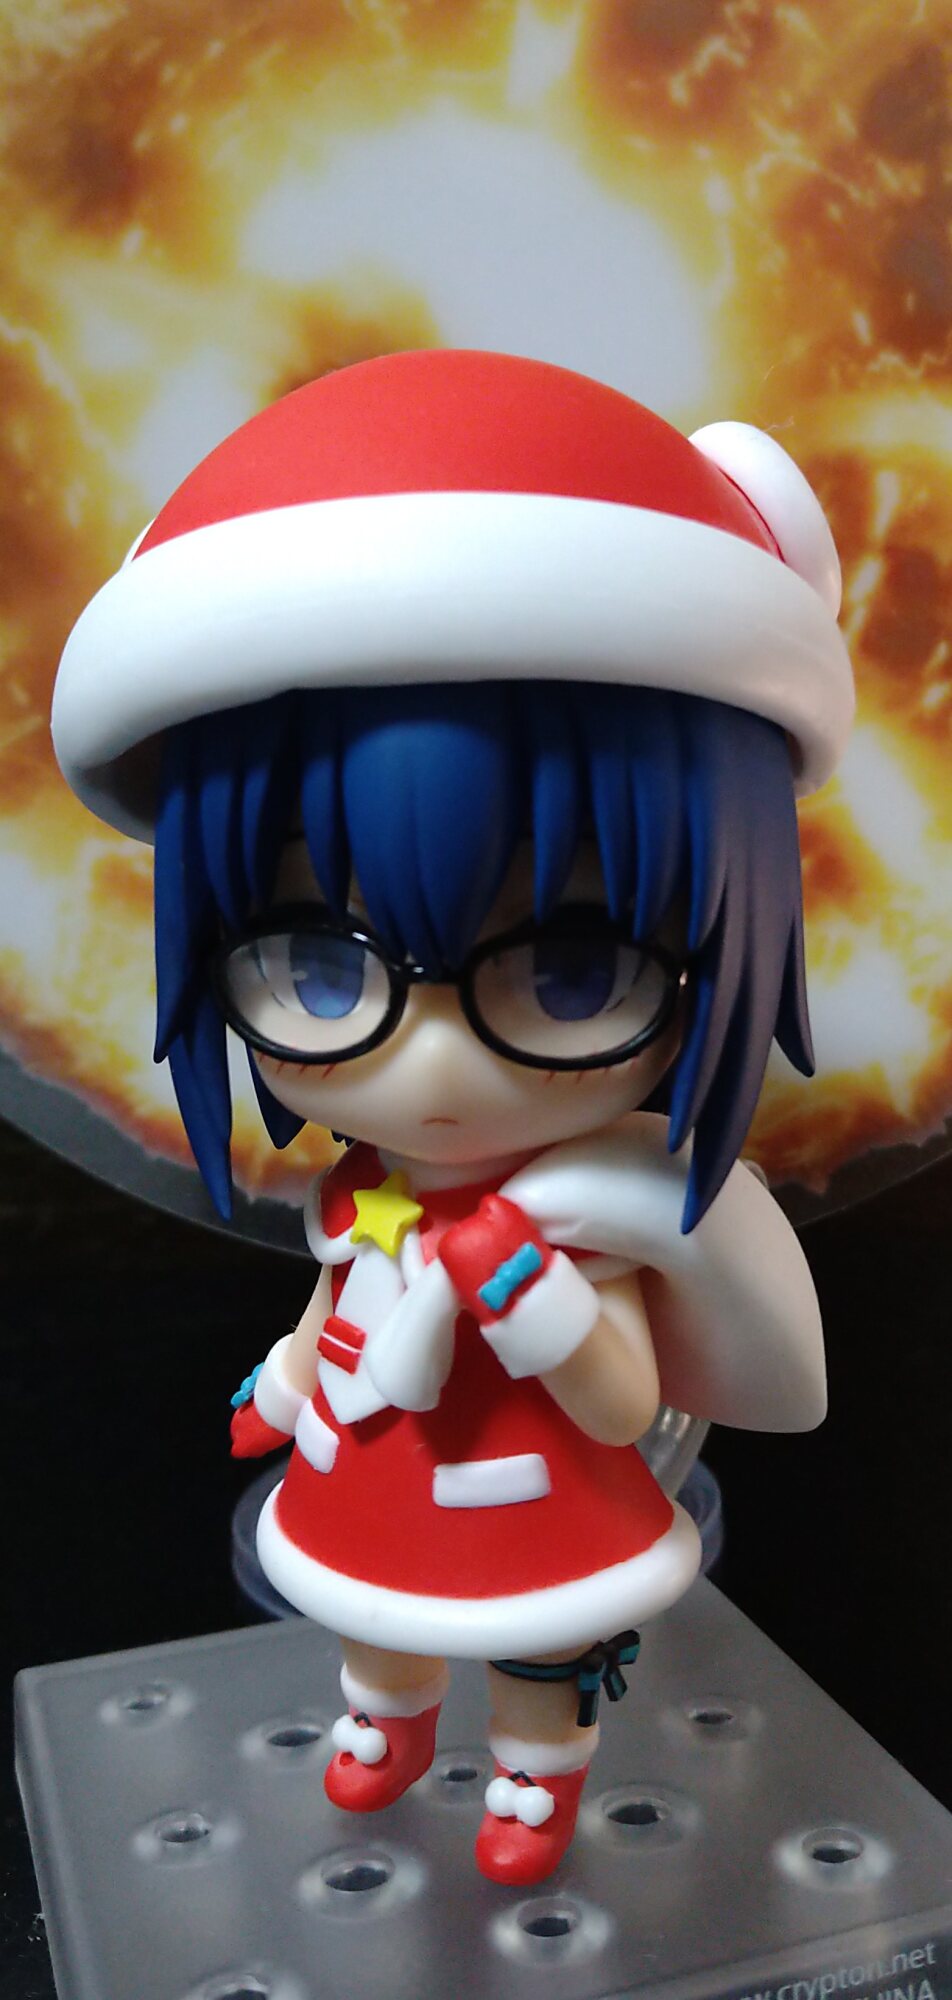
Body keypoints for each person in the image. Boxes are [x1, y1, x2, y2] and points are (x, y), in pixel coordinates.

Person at [52, 348, 854, 1885]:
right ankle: (384, 1719)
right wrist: (292, 1377)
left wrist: (534, 1295)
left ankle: (538, 1781)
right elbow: (334, 1300)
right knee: (373, 1616)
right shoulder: (361, 1199)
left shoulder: (586, 1220)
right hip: (371, 1473)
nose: (427, 1065)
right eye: (316, 965)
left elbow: (621, 1404)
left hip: (537, 1494)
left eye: (570, 970)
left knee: (546, 1645)